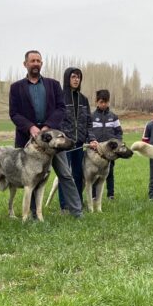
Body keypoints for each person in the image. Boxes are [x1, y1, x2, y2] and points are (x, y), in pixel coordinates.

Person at [9, 50, 82, 218]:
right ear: (25, 64)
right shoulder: (16, 87)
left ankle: (77, 211)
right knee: (31, 178)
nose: (36, 63)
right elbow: (14, 113)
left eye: (38, 61)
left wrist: (48, 126)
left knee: (65, 174)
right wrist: (30, 127)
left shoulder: (53, 85)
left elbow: (61, 108)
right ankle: (34, 214)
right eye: (32, 61)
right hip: (28, 140)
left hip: (54, 140)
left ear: (41, 64)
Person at [59, 67, 92, 210]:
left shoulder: (84, 100)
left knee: (78, 174)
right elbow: (57, 120)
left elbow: (89, 122)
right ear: (67, 78)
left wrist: (91, 139)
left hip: (79, 144)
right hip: (65, 144)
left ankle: (77, 202)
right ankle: (65, 205)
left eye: (78, 77)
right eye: (73, 76)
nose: (76, 79)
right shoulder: (60, 98)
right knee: (65, 174)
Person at [89, 89, 123, 200]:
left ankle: (110, 195)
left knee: (109, 172)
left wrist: (117, 144)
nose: (104, 104)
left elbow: (119, 132)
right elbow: (88, 132)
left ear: (109, 102)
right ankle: (94, 196)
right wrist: (92, 142)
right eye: (101, 102)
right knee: (94, 173)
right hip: (96, 151)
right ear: (96, 102)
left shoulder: (113, 117)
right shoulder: (91, 117)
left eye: (106, 102)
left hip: (110, 152)